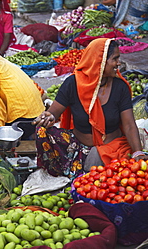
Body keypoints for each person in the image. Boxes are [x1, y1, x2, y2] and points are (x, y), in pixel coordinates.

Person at [33, 38, 148, 178]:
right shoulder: (73, 83)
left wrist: (137, 152)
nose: (119, 63)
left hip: (112, 148)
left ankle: (85, 168)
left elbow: (129, 124)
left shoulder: (120, 87)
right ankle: (75, 167)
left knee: (118, 173)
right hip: (77, 146)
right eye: (115, 59)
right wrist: (48, 117)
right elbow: (54, 112)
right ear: (100, 61)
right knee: (42, 132)